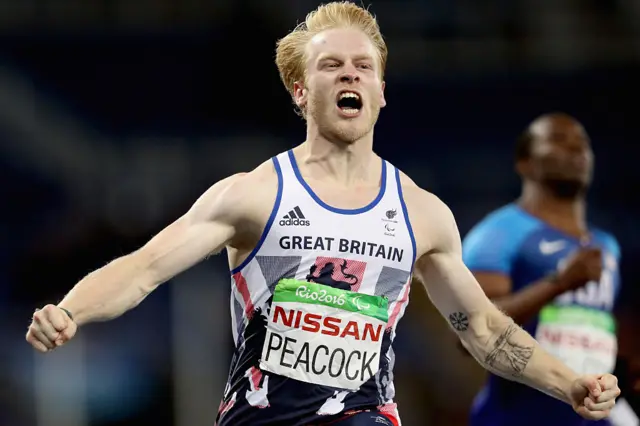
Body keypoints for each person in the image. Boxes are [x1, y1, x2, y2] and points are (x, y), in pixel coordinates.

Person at [26, 4, 620, 426]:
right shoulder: (252, 195)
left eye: (363, 66)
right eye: (331, 65)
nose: (349, 74)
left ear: (382, 90)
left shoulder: (421, 215)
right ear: (300, 91)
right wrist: (70, 310)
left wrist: (570, 383)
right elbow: (143, 269)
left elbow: (486, 332)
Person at [462, 113, 623, 426]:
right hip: (517, 416)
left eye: (583, 144)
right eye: (559, 140)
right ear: (525, 162)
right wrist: (558, 284)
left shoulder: (607, 245)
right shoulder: (498, 234)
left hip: (591, 415)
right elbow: (470, 331)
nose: (576, 150)